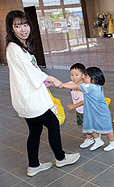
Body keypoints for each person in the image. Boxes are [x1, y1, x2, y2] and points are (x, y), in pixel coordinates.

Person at [5, 10, 80, 177]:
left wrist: (48, 80)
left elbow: (31, 71)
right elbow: (31, 72)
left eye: (25, 25)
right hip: (30, 99)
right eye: (17, 26)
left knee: (35, 131)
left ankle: (33, 165)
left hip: (29, 97)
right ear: (11, 28)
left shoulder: (20, 46)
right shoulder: (14, 48)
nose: (23, 29)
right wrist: (52, 78)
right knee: (53, 124)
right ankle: (60, 158)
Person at [63, 67, 114, 151]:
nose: (84, 78)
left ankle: (113, 142)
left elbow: (76, 86)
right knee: (92, 126)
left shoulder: (91, 87)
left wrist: (61, 85)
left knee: (107, 129)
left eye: (86, 77)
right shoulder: (94, 85)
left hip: (101, 112)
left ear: (93, 79)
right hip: (93, 111)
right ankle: (98, 141)